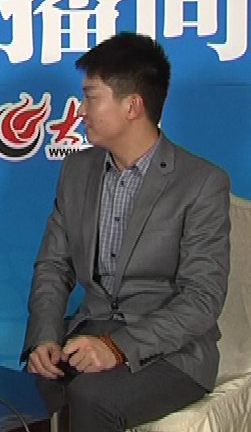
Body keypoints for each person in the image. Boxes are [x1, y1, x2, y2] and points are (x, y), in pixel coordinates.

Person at [22, 32, 230, 431]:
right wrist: (44, 338)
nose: (80, 110)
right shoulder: (77, 170)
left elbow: (202, 299)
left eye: (91, 97)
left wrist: (118, 347)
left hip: (171, 352)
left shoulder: (201, 183)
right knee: (30, 387)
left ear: (132, 105)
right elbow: (53, 266)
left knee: (90, 398)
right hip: (89, 331)